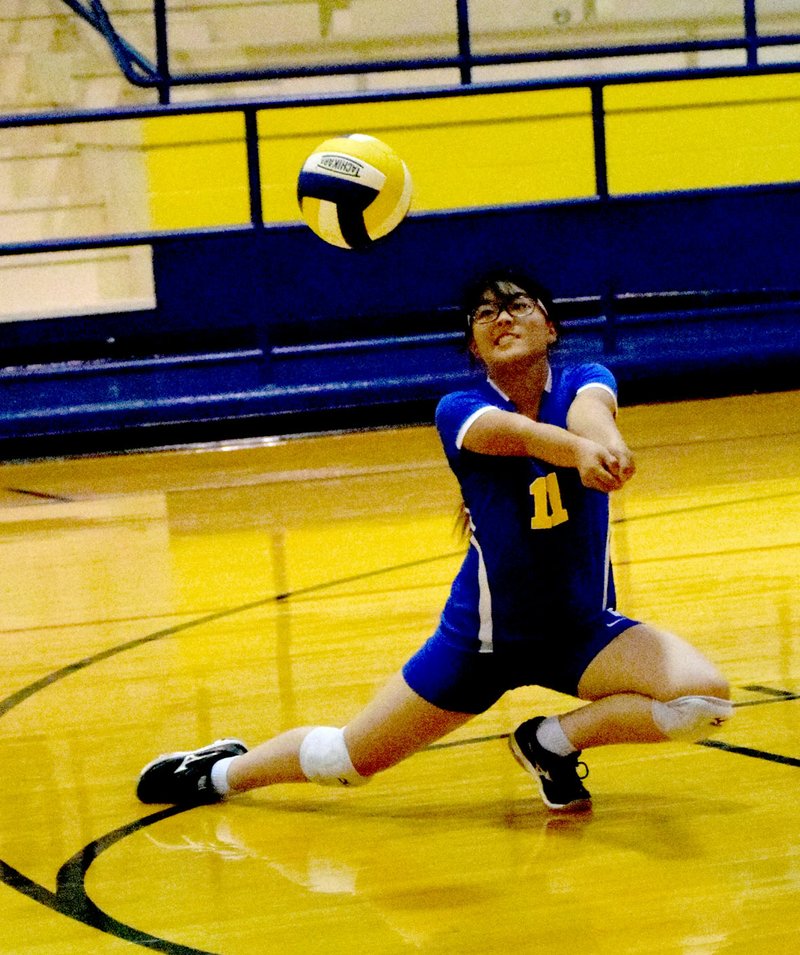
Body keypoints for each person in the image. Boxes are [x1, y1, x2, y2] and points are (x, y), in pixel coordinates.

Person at [137, 267, 733, 812]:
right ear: (473, 346)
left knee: (701, 701)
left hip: (582, 631)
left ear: (549, 326)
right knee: (344, 763)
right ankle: (218, 774)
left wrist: (605, 445)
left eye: (517, 305)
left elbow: (591, 412)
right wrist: (582, 454)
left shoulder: (585, 379)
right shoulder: (460, 409)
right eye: (484, 313)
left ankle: (548, 743)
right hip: (481, 643)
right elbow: (522, 436)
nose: (501, 318)